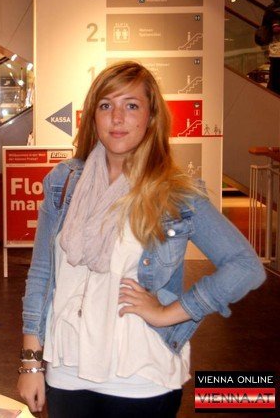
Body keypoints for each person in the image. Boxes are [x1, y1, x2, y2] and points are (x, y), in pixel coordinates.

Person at [17, 61, 266, 417]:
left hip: (141, 376)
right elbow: (42, 273)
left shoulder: (174, 193)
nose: (117, 117)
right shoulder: (65, 182)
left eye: (131, 105)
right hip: (67, 370)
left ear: (151, 117)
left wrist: (168, 314)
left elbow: (245, 266)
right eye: (106, 105)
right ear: (92, 117)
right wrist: (30, 361)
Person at [255, 0, 280, 94]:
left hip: (275, 49)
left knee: (275, 77)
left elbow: (265, 26)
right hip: (277, 48)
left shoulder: (270, 8)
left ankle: (272, 97)